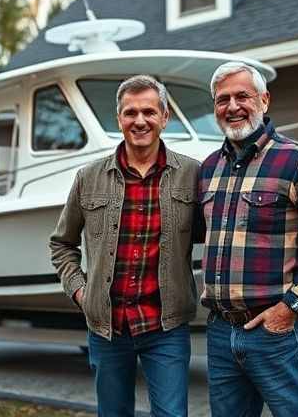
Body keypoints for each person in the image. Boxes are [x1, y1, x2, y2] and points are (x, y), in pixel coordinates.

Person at [199, 62, 298, 417]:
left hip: (275, 332)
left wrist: (290, 308)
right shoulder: (208, 169)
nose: (232, 107)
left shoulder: (297, 161)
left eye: (243, 96)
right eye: (223, 100)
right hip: (221, 333)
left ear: (264, 101)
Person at [50, 75, 200, 417]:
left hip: (166, 326)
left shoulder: (192, 174)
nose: (140, 120)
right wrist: (81, 293)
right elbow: (62, 244)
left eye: (149, 111)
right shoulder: (88, 177)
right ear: (119, 119)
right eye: (130, 113)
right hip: (107, 326)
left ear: (165, 117)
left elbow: (213, 235)